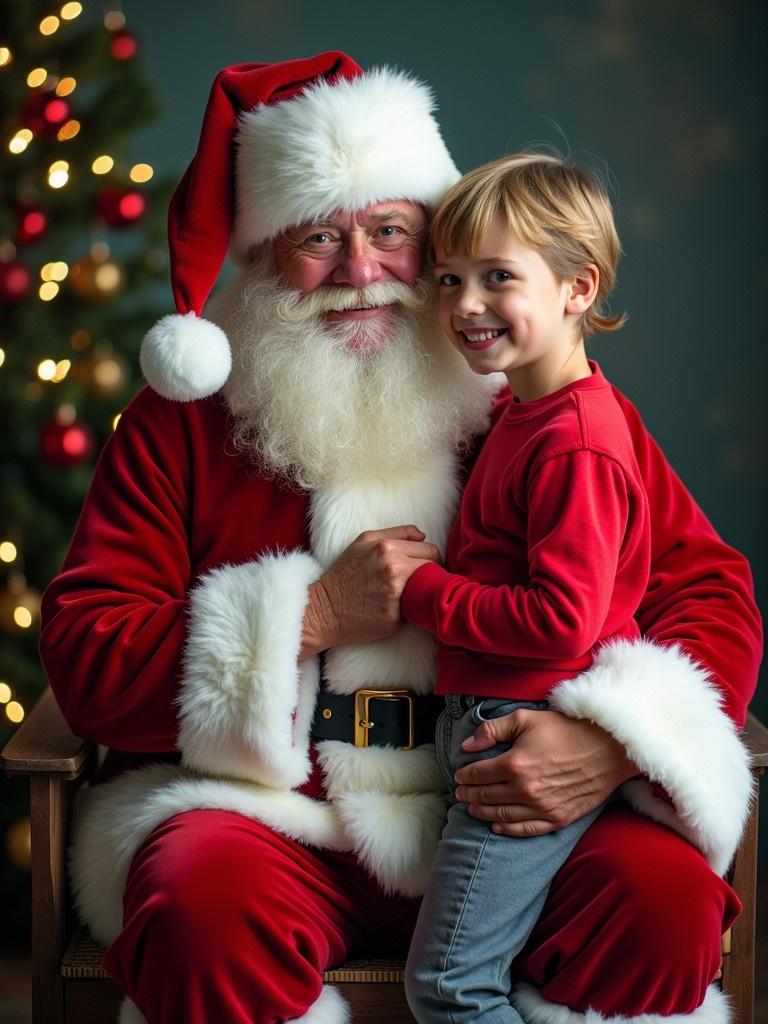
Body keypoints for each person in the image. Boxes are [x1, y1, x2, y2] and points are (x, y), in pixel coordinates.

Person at [38, 54, 760, 1024]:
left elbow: (709, 592)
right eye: (318, 239)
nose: (361, 270)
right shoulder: (182, 425)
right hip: (276, 820)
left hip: (524, 805)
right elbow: (87, 651)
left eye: (390, 233)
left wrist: (611, 743)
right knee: (196, 911)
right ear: (259, 255)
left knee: (662, 907)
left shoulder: (549, 408)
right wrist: (308, 617)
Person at [398, 152, 652, 1022]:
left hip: (518, 741)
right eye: (448, 279)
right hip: (480, 729)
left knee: (450, 986)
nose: (465, 305)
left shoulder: (576, 440)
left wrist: (422, 591)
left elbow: (559, 622)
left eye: (498, 277)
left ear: (578, 289)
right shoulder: (520, 412)